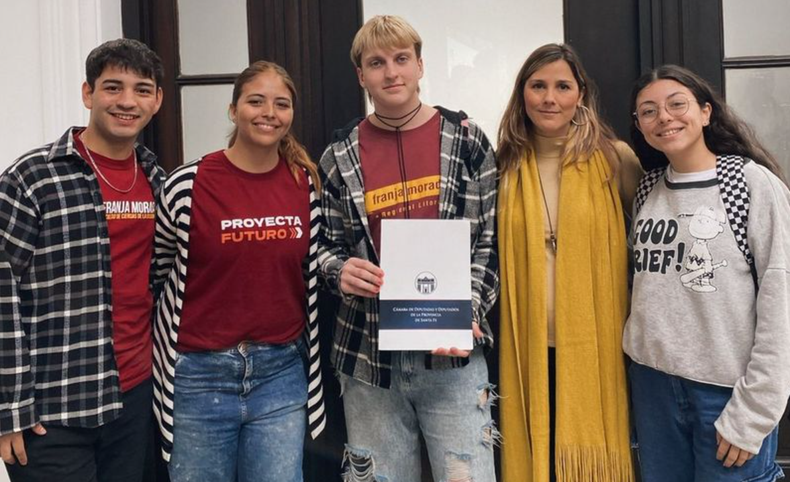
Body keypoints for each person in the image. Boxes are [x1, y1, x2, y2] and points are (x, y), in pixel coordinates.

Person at [317, 15, 499, 482]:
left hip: (452, 353)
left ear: (420, 65)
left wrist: (469, 307)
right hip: (367, 356)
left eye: (401, 59)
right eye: (376, 63)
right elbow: (323, 246)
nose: (391, 72)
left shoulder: (466, 140)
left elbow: (488, 241)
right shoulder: (340, 154)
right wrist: (339, 271)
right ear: (361, 75)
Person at [151, 60, 325, 482]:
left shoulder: (304, 184)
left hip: (280, 371)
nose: (269, 113)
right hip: (198, 375)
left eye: (281, 104)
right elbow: (158, 272)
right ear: (233, 110)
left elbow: (312, 264)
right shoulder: (187, 185)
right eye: (256, 101)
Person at [0, 39, 164, 482]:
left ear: (156, 100)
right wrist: (9, 407)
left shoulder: (157, 178)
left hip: (134, 396)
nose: (127, 101)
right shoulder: (32, 178)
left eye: (141, 90)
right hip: (51, 408)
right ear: (88, 93)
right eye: (113, 87)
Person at [624, 64, 790, 482]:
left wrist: (755, 411)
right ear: (640, 126)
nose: (664, 117)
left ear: (705, 111)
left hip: (726, 392)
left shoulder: (749, 183)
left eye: (676, 104)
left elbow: (781, 298)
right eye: (648, 111)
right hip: (653, 387)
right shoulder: (647, 189)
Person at [496, 43, 641, 482]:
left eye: (562, 86)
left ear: (581, 94)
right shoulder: (502, 166)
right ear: (522, 93)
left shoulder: (615, 159)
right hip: (526, 347)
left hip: (599, 351)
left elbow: (647, 245)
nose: (549, 98)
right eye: (537, 86)